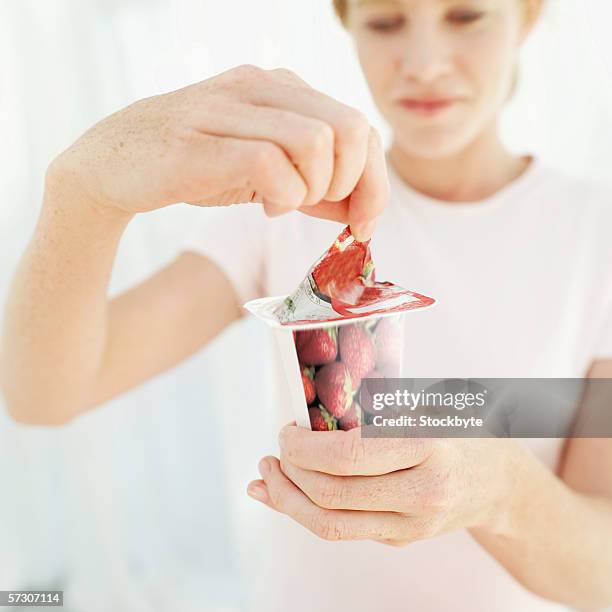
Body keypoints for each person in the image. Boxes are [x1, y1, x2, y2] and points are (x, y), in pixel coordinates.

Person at [1, 0, 612, 610]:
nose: (424, 63)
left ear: (528, 18)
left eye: (466, 16)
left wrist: (499, 489)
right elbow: (45, 393)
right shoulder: (284, 207)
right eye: (385, 21)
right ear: (346, 25)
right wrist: (82, 192)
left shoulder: (595, 237)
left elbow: (600, 574)